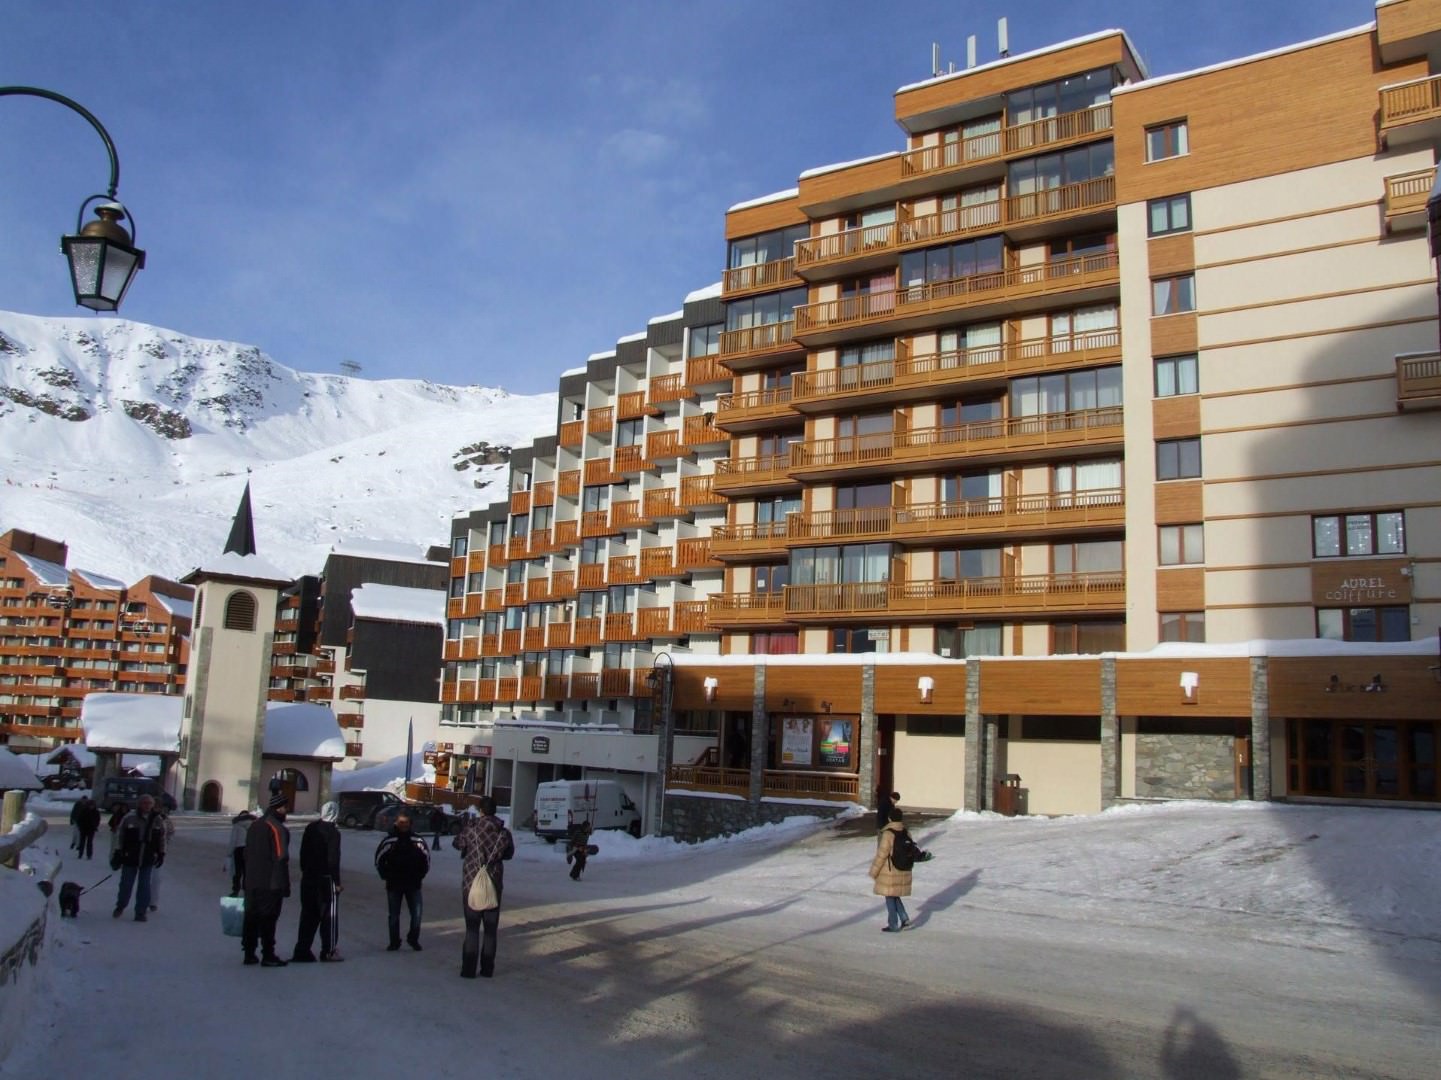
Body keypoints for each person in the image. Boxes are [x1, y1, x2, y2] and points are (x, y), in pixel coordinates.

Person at [452, 796, 515, 979]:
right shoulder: (503, 833)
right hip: (493, 883)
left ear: (480, 810)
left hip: (471, 882)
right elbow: (509, 853)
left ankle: (468, 969)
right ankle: (487, 969)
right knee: (490, 930)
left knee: (472, 928)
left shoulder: (471, 829)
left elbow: (457, 843)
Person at [242, 792, 292, 967]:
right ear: (278, 808)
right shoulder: (277, 828)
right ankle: (268, 954)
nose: (287, 811)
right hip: (270, 882)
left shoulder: (255, 826)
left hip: (252, 880)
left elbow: (246, 853)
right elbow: (281, 857)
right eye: (285, 807)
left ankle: (249, 952)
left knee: (251, 917)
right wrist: (283, 884)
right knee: (269, 918)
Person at [293, 801, 344, 963]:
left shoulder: (311, 828)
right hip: (326, 879)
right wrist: (336, 881)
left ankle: (302, 950)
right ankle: (328, 950)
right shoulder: (333, 833)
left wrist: (306, 870)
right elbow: (333, 859)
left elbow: (303, 853)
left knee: (308, 914)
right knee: (329, 915)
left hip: (308, 877)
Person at [375, 813, 430, 951]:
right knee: (394, 915)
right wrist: (386, 876)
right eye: (401, 822)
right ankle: (394, 941)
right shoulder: (389, 841)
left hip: (414, 884)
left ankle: (413, 939)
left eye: (406, 823)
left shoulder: (418, 840)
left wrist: (420, 876)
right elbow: (379, 859)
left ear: (410, 824)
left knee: (417, 914)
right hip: (394, 884)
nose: (403, 825)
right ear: (396, 823)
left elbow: (427, 860)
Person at [110, 794, 166, 922]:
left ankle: (140, 912)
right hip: (130, 856)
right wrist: (118, 852)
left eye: (149, 803)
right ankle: (121, 905)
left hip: (147, 857)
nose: (147, 806)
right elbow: (120, 835)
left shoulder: (157, 820)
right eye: (144, 803)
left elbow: (162, 839)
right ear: (139, 804)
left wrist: (162, 853)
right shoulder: (129, 818)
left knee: (145, 885)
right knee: (126, 884)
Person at [869, 808, 913, 933]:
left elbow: (882, 854)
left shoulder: (888, 834)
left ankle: (893, 924)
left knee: (889, 897)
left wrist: (874, 871)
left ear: (889, 818)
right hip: (904, 869)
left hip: (890, 871)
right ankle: (905, 919)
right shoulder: (906, 832)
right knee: (894, 895)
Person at [147, 805, 176, 912]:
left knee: (156, 878)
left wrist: (164, 846)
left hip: (158, 852)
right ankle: (144, 900)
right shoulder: (147, 818)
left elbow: (171, 833)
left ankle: (153, 902)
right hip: (145, 852)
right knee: (145, 878)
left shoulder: (165, 820)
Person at [227, 809, 255, 896]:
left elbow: (233, 840)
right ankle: (247, 891)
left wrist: (229, 853)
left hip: (238, 850)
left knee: (237, 872)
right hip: (249, 850)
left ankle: (235, 890)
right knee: (247, 871)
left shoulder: (237, 825)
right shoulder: (254, 825)